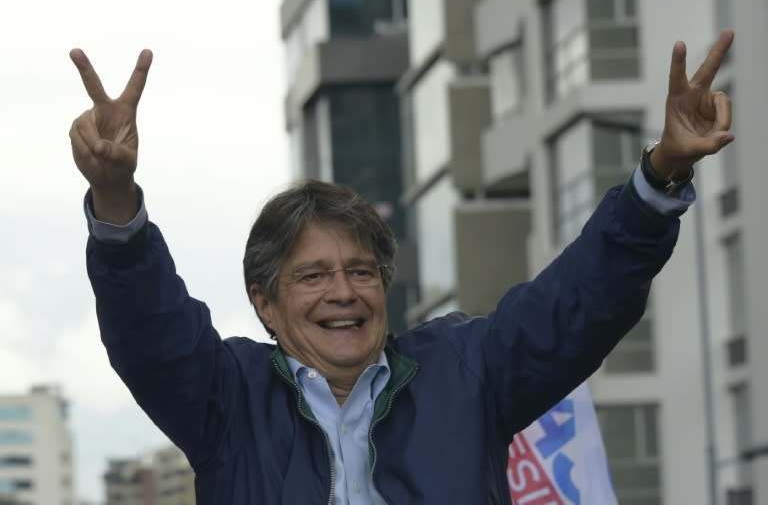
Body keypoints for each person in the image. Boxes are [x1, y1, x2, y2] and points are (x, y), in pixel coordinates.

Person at [69, 31, 734, 504]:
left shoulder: (468, 372)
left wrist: (661, 177)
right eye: (312, 275)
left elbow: (577, 303)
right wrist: (114, 196)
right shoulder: (225, 398)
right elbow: (147, 328)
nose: (343, 293)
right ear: (264, 302)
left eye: (361, 271)